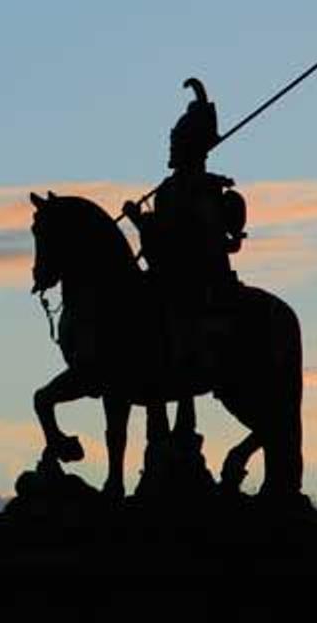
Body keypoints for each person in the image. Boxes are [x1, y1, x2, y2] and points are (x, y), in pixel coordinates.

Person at [122, 77, 246, 485]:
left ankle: (182, 403)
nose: (171, 147)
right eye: (171, 140)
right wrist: (144, 223)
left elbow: (190, 240)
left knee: (174, 315)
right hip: (167, 274)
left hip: (197, 277)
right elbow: (159, 244)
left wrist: (146, 224)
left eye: (176, 140)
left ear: (192, 146)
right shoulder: (171, 189)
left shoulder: (204, 190)